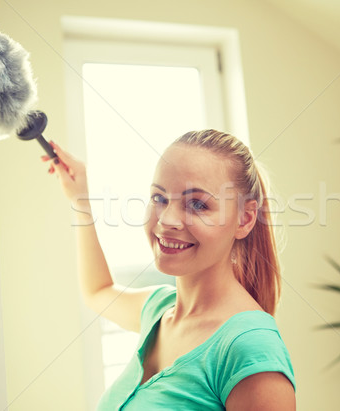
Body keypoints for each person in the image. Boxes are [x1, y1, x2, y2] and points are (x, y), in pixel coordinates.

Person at [43, 129, 296, 410]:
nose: (167, 220)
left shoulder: (250, 349)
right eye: (159, 198)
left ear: (245, 219)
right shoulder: (158, 310)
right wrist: (80, 200)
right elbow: (97, 291)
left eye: (198, 204)